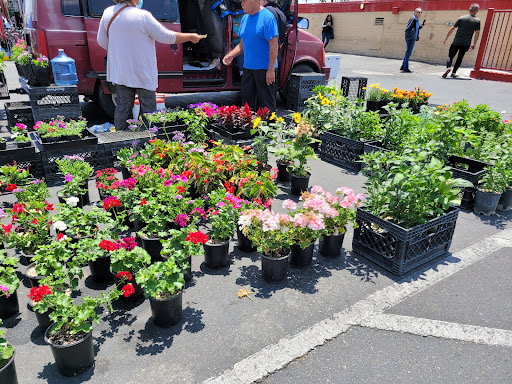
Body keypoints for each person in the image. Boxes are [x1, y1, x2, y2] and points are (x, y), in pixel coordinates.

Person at [97, 0, 201, 130]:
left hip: (121, 71)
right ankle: (148, 142)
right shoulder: (142, 16)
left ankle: (121, 142)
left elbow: (101, 41)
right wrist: (190, 36)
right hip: (143, 71)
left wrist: (119, 52)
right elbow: (166, 36)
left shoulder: (108, 13)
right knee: (148, 111)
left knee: (122, 108)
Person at [222, 0, 279, 111]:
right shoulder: (245, 18)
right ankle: (249, 128)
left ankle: (269, 128)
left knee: (266, 108)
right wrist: (231, 55)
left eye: (244, 1)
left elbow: (274, 46)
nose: (241, 4)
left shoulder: (268, 18)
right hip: (248, 69)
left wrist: (271, 70)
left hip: (265, 71)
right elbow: (242, 44)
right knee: (248, 106)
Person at [442, 3, 481, 78]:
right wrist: (474, 44)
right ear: (476, 11)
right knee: (460, 57)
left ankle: (448, 67)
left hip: (456, 42)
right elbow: (477, 33)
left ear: (469, 9)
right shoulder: (477, 20)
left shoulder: (461, 18)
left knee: (450, 56)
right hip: (466, 43)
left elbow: (452, 28)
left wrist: (446, 38)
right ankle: (454, 73)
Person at [400, 8, 425, 73]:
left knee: (407, 52)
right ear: (415, 12)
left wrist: (421, 26)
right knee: (408, 53)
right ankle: (405, 68)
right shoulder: (413, 19)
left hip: (412, 38)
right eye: (419, 12)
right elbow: (407, 29)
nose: (420, 13)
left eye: (421, 12)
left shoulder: (416, 20)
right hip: (410, 39)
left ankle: (403, 66)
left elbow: (415, 29)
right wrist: (410, 38)